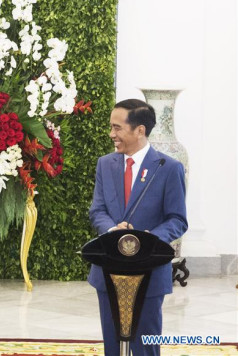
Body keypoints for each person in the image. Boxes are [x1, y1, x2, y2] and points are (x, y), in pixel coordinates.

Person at [88, 99, 187, 356]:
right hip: (108, 271)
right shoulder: (105, 164)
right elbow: (97, 210)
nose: (112, 134)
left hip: (150, 273)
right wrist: (112, 231)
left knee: (145, 347)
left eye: (117, 128)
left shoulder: (169, 168)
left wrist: (147, 239)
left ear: (140, 130)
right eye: (111, 127)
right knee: (113, 346)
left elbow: (177, 219)